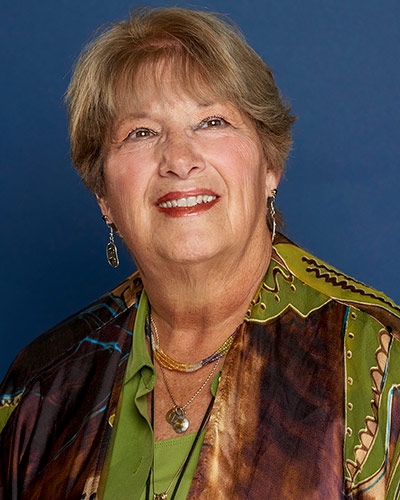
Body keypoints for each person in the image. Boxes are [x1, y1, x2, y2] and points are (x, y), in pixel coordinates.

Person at [1, 7, 399, 500]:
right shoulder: (41, 386)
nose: (179, 160)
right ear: (104, 194)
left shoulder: (375, 359)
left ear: (270, 164)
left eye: (211, 121)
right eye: (141, 132)